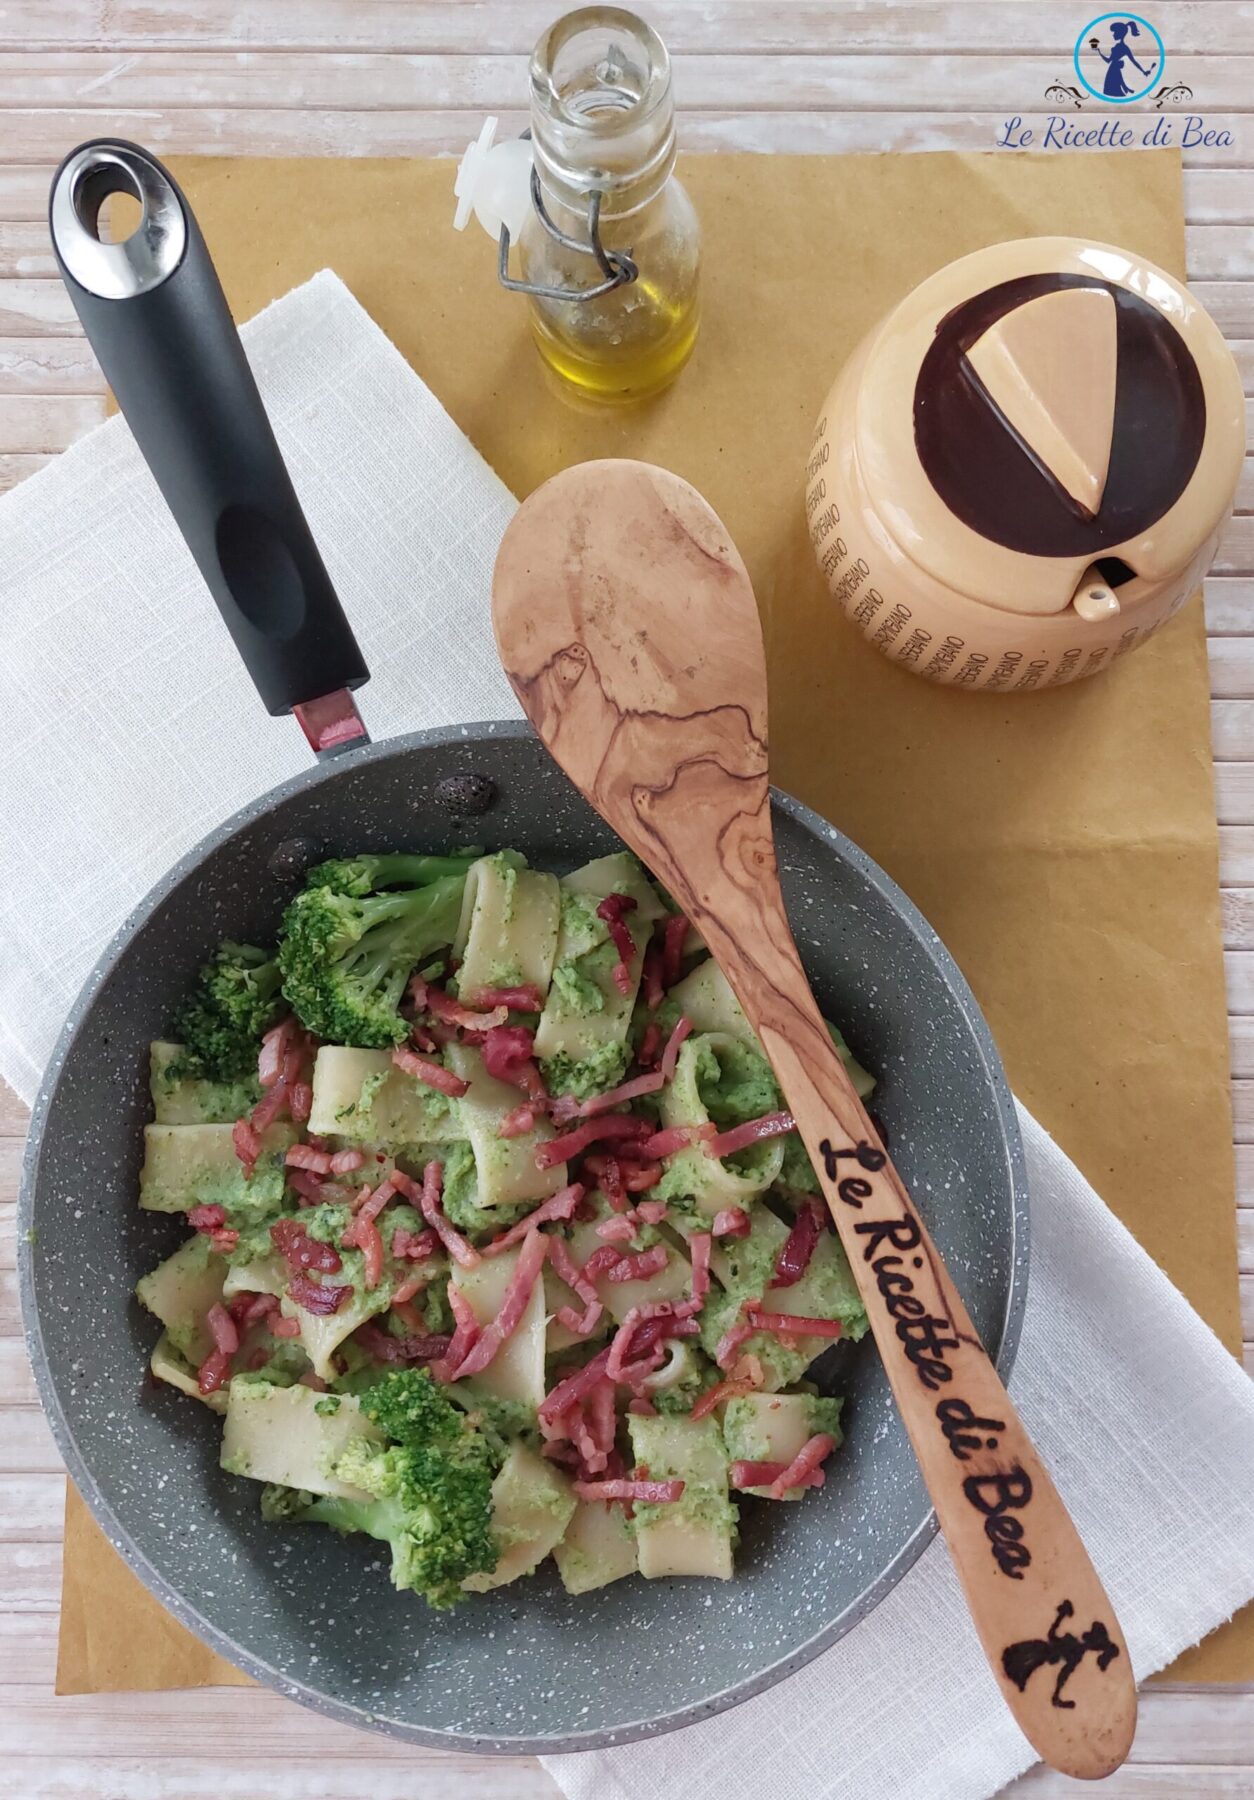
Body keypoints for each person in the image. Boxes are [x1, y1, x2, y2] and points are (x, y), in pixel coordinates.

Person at [1091, 20, 1156, 98]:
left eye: (1114, 32)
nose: (1113, 35)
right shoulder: (1117, 46)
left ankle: (1126, 90)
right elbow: (1108, 61)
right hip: (1112, 69)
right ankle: (1127, 89)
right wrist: (1099, 52)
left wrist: (1143, 71)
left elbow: (1134, 61)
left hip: (1113, 69)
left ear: (1119, 34)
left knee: (1114, 91)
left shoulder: (1125, 48)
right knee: (1113, 90)